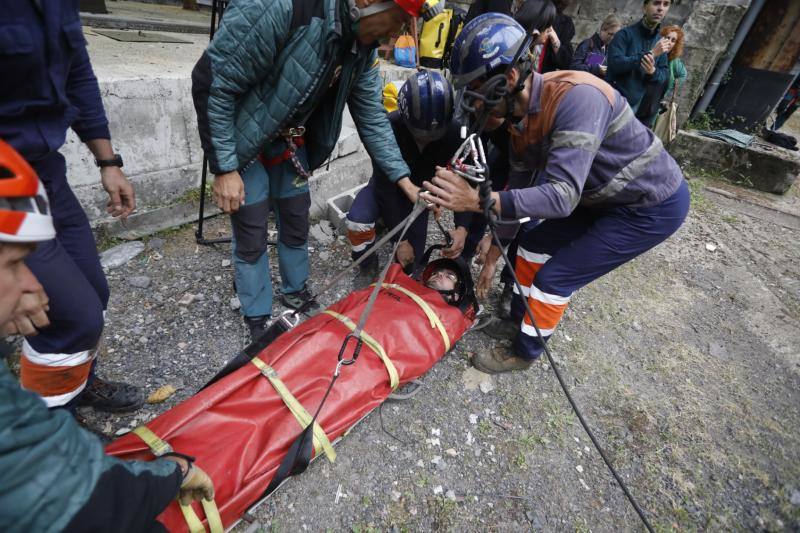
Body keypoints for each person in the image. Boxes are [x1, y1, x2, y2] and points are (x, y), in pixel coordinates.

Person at [422, 13, 690, 373]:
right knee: (531, 246)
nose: (476, 106)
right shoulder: (521, 121)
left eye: (479, 94)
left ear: (510, 78)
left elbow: (562, 196)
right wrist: (492, 254)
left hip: (649, 206)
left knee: (554, 279)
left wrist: (479, 201)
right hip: (599, 195)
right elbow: (518, 188)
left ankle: (524, 353)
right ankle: (520, 322)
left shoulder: (578, 98)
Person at [191, 0, 443, 340]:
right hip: (243, 142)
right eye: (399, 20)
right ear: (367, 2)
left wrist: (405, 181)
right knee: (251, 232)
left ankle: (295, 293)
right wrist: (224, 168)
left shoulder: (359, 49)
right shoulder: (277, 7)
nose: (397, 35)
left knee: (296, 221)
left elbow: (372, 117)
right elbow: (213, 82)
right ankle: (258, 316)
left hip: (291, 144)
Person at [0, 140, 214, 532]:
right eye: (14, 264)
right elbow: (82, 498)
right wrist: (173, 473)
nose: (32, 284)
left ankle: (66, 410)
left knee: (91, 298)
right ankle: (55, 424)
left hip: (45, 163)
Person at [0, 0, 144, 411]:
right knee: (68, 315)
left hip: (45, 173)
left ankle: (73, 385)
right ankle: (50, 428)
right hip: (4, 184)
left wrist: (109, 162)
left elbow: (77, 72)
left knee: (93, 293)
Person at [346, 70, 469, 279]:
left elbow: (466, 181)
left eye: (433, 136)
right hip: (386, 188)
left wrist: (462, 227)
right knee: (357, 223)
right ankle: (367, 262)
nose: (427, 140)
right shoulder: (388, 127)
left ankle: (394, 247)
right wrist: (399, 242)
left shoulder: (456, 132)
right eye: (419, 134)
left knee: (413, 264)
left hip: (420, 199)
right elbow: (385, 186)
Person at [606, 0, 672, 117]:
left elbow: (664, 75)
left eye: (665, 4)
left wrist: (653, 72)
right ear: (645, 6)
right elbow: (615, 64)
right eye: (656, 3)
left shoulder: (660, 41)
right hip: (611, 99)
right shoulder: (624, 34)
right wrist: (651, 54)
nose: (661, 8)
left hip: (633, 106)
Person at [570, 14, 622, 78]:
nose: (612, 38)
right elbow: (574, 67)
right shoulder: (587, 44)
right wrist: (597, 69)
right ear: (603, 29)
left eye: (615, 36)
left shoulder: (608, 50)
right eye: (610, 34)